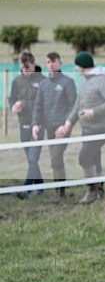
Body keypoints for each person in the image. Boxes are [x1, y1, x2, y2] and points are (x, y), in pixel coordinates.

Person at [55, 52, 105, 205]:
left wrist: (93, 112)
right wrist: (68, 124)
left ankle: (92, 191)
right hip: (87, 129)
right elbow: (78, 105)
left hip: (101, 128)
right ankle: (101, 190)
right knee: (94, 159)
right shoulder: (84, 82)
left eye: (77, 65)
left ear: (82, 66)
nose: (75, 69)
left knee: (84, 157)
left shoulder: (103, 81)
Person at [31, 52, 78, 203]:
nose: (51, 65)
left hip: (62, 129)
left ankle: (61, 193)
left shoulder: (68, 82)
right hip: (49, 128)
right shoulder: (44, 84)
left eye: (53, 62)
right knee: (55, 160)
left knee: (55, 158)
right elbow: (38, 106)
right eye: (48, 62)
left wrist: (65, 125)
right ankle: (59, 192)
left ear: (60, 63)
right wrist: (35, 124)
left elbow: (73, 106)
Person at [8, 52, 46, 199]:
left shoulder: (43, 81)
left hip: (38, 125)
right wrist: (14, 106)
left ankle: (26, 189)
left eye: (28, 68)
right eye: (23, 69)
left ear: (34, 64)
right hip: (23, 124)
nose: (25, 72)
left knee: (33, 157)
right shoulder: (17, 81)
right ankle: (41, 186)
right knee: (31, 159)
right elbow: (12, 98)